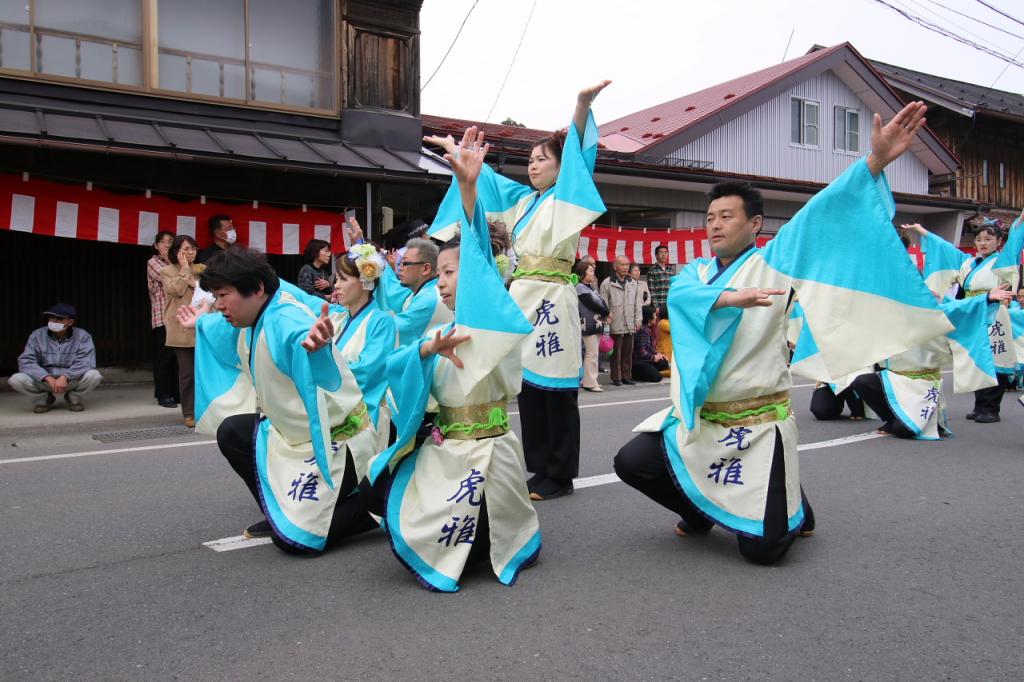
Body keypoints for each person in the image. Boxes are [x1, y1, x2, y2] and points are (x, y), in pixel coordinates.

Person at [614, 102, 955, 565]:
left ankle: (792, 499)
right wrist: (730, 298)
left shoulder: (775, 261)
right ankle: (699, 508)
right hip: (701, 421)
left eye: (726, 216)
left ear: (755, 224)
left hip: (756, 424)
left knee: (765, 553)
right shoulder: (695, 272)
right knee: (632, 462)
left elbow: (822, 213)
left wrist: (875, 161)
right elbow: (683, 294)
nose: (715, 225)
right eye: (710, 217)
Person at [365, 128, 540, 591]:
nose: (440, 282)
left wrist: (467, 187)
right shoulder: (442, 331)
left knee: (466, 545)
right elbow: (395, 367)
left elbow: (478, 253)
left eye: (449, 271)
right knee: (380, 489)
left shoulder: (493, 322)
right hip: (446, 450)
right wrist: (424, 350)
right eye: (438, 272)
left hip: (486, 457)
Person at [426, 81, 611, 501]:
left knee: (557, 390)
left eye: (543, 159)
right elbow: (484, 182)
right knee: (527, 387)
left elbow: (581, 160)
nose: (533, 166)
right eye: (530, 160)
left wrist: (581, 106)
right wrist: (461, 156)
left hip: (553, 298)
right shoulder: (525, 202)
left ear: (562, 167)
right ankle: (539, 467)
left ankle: (560, 473)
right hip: (522, 298)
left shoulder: (565, 198)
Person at [179, 248, 378, 553]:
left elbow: (304, 341)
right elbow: (218, 326)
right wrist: (200, 323)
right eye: (215, 297)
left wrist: (316, 350)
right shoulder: (251, 315)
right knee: (233, 432)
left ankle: (379, 502)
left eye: (223, 295)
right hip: (292, 438)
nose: (218, 305)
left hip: (335, 442)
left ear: (257, 289)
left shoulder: (285, 320)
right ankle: (280, 512)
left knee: (295, 543)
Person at [910, 214, 1024, 423]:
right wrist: (922, 231)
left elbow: (1015, 241)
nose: (983, 243)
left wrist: (1021, 219)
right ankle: (980, 405)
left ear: (999, 241)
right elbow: (945, 248)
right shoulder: (968, 262)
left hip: (995, 312)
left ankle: (990, 408)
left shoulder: (1003, 260)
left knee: (995, 359)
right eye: (979, 239)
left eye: (988, 239)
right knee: (975, 357)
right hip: (973, 311)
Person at [326, 242, 398, 451]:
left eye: (343, 279)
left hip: (361, 415)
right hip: (332, 407)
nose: (336, 285)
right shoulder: (337, 317)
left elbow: (366, 372)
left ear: (365, 281)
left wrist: (322, 377)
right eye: (336, 279)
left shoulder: (382, 322)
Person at [8, 303, 103, 413]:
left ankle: (73, 398)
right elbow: (26, 361)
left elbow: (86, 362)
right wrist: (46, 377)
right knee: (16, 380)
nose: (54, 321)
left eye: (59, 319)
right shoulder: (37, 335)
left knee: (94, 375)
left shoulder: (83, 336)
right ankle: (44, 400)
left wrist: (65, 376)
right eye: (51, 317)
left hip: (70, 380)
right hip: (44, 380)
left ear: (70, 322)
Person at [370, 229, 453, 346]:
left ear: (426, 268)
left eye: (405, 263)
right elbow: (392, 289)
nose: (400, 268)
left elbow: (389, 331)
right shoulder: (421, 291)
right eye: (400, 263)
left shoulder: (428, 299)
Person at [161, 234, 200, 427]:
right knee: (187, 373)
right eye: (186, 249)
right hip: (180, 327)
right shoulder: (167, 271)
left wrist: (196, 283)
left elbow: (212, 293)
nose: (191, 252)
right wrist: (185, 270)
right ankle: (189, 413)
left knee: (204, 372)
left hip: (202, 324)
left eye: (193, 249)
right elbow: (176, 290)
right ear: (176, 252)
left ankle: (206, 409)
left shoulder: (201, 269)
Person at [147, 230, 179, 408]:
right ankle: (163, 394)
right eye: (164, 242)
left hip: (179, 316)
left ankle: (176, 393)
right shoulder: (153, 262)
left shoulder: (178, 263)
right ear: (156, 245)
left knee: (177, 357)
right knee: (164, 357)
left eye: (171, 241)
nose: (167, 245)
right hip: (162, 317)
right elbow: (170, 279)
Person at [600, 256, 643, 386]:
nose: (625, 267)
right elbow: (603, 304)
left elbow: (638, 304)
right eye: (622, 264)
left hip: (630, 322)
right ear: (615, 267)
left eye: (627, 265)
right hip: (615, 321)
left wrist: (638, 320)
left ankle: (627, 376)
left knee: (628, 351)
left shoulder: (632, 283)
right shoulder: (607, 283)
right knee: (616, 352)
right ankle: (616, 377)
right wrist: (606, 319)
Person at [575, 259, 608, 392]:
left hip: (596, 323)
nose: (593, 273)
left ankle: (591, 380)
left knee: (593, 353)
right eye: (590, 271)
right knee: (591, 353)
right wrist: (606, 312)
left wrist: (606, 312)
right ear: (583, 273)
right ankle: (589, 382)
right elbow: (591, 304)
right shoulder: (580, 287)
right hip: (588, 324)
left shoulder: (590, 287)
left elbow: (601, 302)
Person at [632, 305, 669, 383]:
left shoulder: (647, 329)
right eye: (654, 315)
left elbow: (649, 348)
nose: (656, 317)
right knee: (657, 377)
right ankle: (639, 374)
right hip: (639, 362)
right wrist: (653, 357)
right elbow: (641, 352)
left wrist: (658, 354)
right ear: (649, 318)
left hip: (646, 359)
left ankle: (650, 370)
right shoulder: (642, 331)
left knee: (664, 362)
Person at [647, 245, 676, 311]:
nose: (664, 255)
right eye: (661, 252)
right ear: (656, 255)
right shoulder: (652, 270)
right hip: (659, 306)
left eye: (665, 253)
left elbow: (674, 288)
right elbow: (651, 291)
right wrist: (656, 307)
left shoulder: (670, 270)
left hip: (670, 305)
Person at [654, 304, 672, 378]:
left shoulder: (669, 321)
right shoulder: (662, 323)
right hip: (664, 353)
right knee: (673, 373)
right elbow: (674, 329)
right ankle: (658, 373)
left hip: (670, 352)